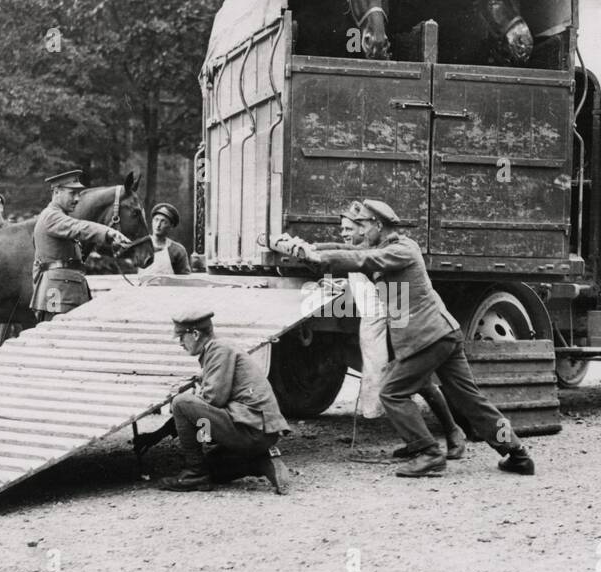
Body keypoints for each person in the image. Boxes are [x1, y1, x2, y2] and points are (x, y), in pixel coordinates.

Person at [290, 199, 535, 479]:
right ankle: (518, 455)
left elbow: (363, 260)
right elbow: (351, 250)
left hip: (426, 337)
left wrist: (320, 258)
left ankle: (428, 453)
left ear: (378, 225)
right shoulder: (384, 247)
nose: (357, 231)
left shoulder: (402, 249)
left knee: (392, 393)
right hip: (441, 334)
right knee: (470, 400)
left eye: (362, 225)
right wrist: (308, 248)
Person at [313, 204, 466, 459]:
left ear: (370, 228)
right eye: (344, 228)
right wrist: (311, 250)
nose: (346, 233)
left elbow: (355, 258)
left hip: (396, 321)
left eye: (353, 227)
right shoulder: (364, 248)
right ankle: (420, 440)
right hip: (379, 322)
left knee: (419, 383)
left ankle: (451, 432)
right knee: (404, 384)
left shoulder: (379, 251)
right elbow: (342, 251)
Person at [161, 308, 290, 491]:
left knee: (181, 403)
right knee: (214, 468)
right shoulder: (218, 349)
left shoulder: (219, 350)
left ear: (196, 334)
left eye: (182, 337)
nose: (181, 343)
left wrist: (199, 427)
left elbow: (212, 400)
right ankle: (262, 463)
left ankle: (195, 474)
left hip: (252, 429)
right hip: (257, 429)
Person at [30, 170, 132, 322]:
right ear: (57, 192)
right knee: (58, 339)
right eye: (72, 193)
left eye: (79, 194)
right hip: (58, 293)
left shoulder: (59, 216)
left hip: (67, 290)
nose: (77, 199)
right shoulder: (51, 215)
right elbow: (79, 227)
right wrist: (109, 233)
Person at [133, 202, 192, 274]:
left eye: (163, 221)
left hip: (168, 285)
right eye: (156, 220)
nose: (158, 225)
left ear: (171, 226)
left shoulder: (177, 251)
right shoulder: (139, 246)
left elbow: (184, 279)